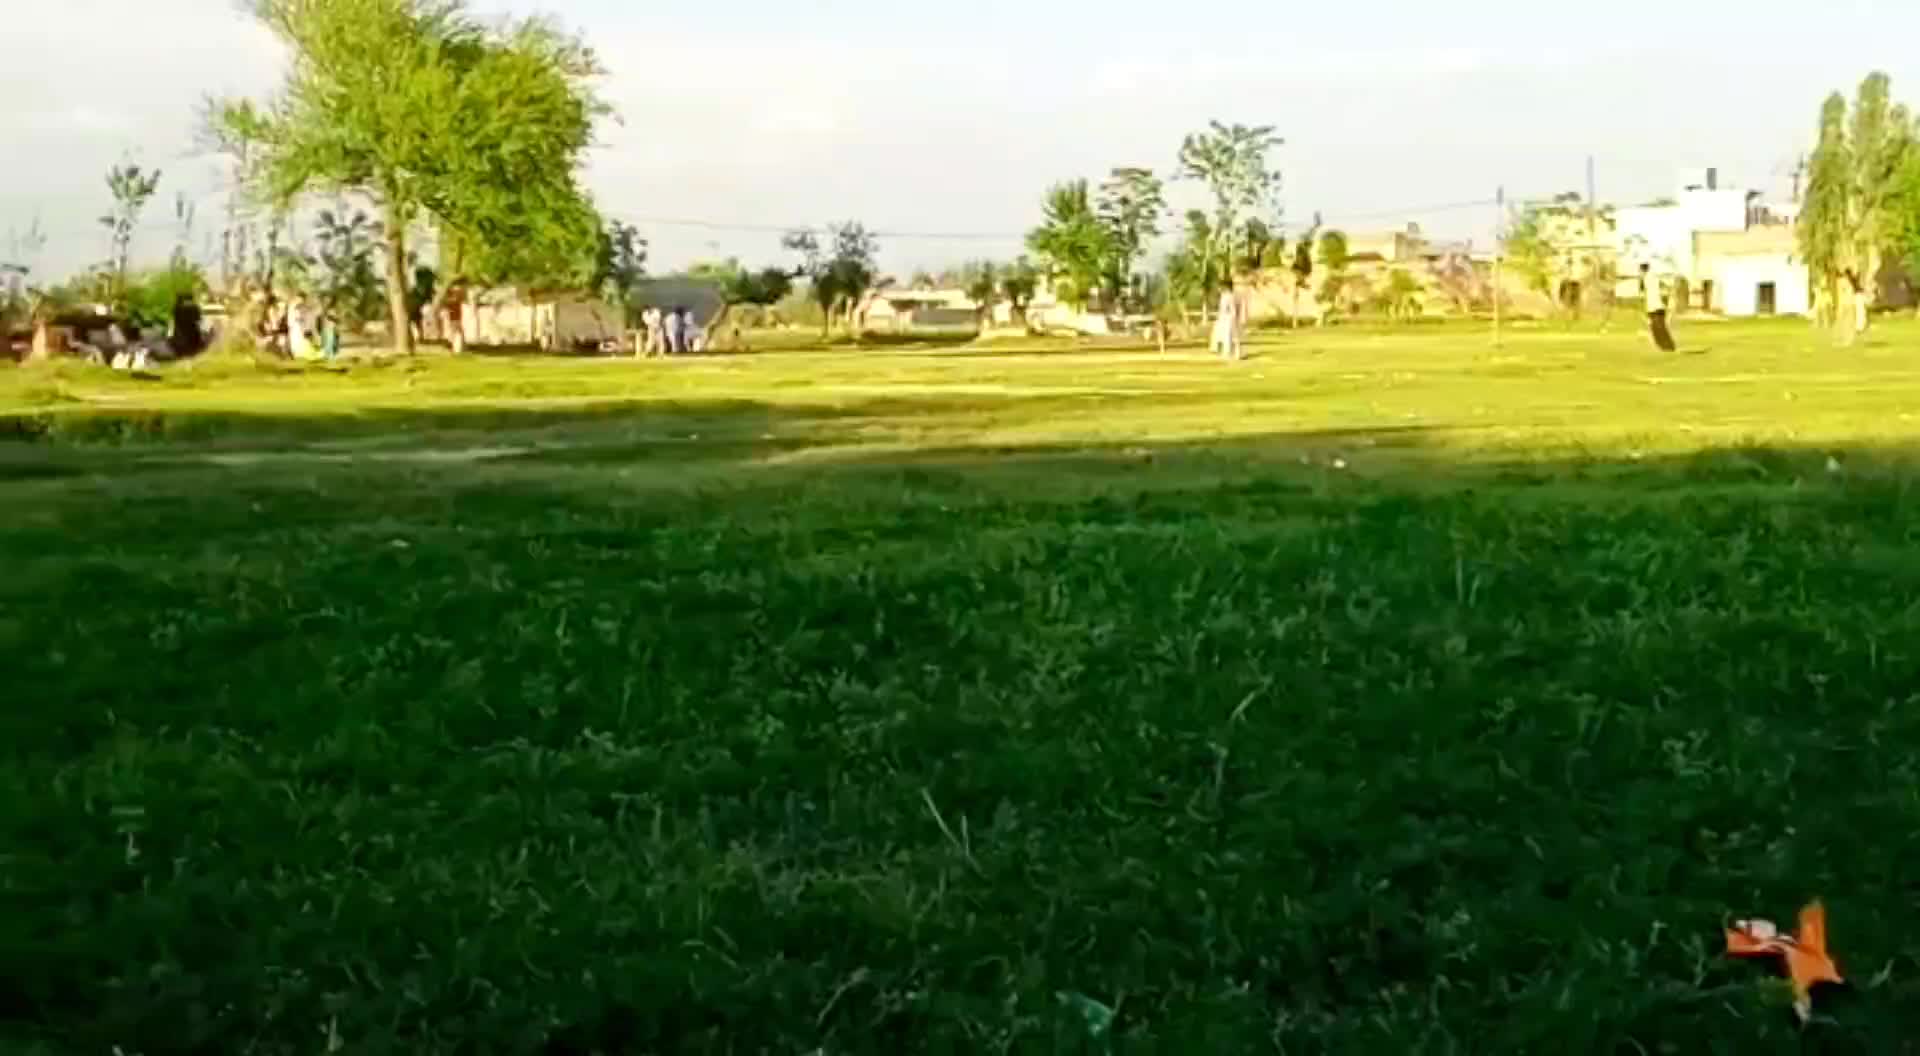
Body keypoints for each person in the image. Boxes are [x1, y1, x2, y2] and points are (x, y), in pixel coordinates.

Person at [1641, 264, 1676, 352]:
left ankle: (1667, 346)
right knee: (1659, 327)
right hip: (1656, 306)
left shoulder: (1649, 277)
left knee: (1658, 328)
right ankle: (1667, 346)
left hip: (1655, 306)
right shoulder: (1651, 277)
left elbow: (1648, 293)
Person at [1211, 284, 1242, 360]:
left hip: (1227, 318)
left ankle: (1229, 353)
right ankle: (1232, 353)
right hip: (1228, 317)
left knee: (1228, 335)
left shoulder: (1227, 296)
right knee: (1229, 335)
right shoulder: (1230, 296)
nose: (1219, 289)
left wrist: (1221, 315)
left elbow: (1226, 308)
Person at [168, 294, 204, 358]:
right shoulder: (194, 306)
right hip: (192, 330)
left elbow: (173, 319)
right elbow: (199, 319)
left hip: (180, 331)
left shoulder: (176, 307)